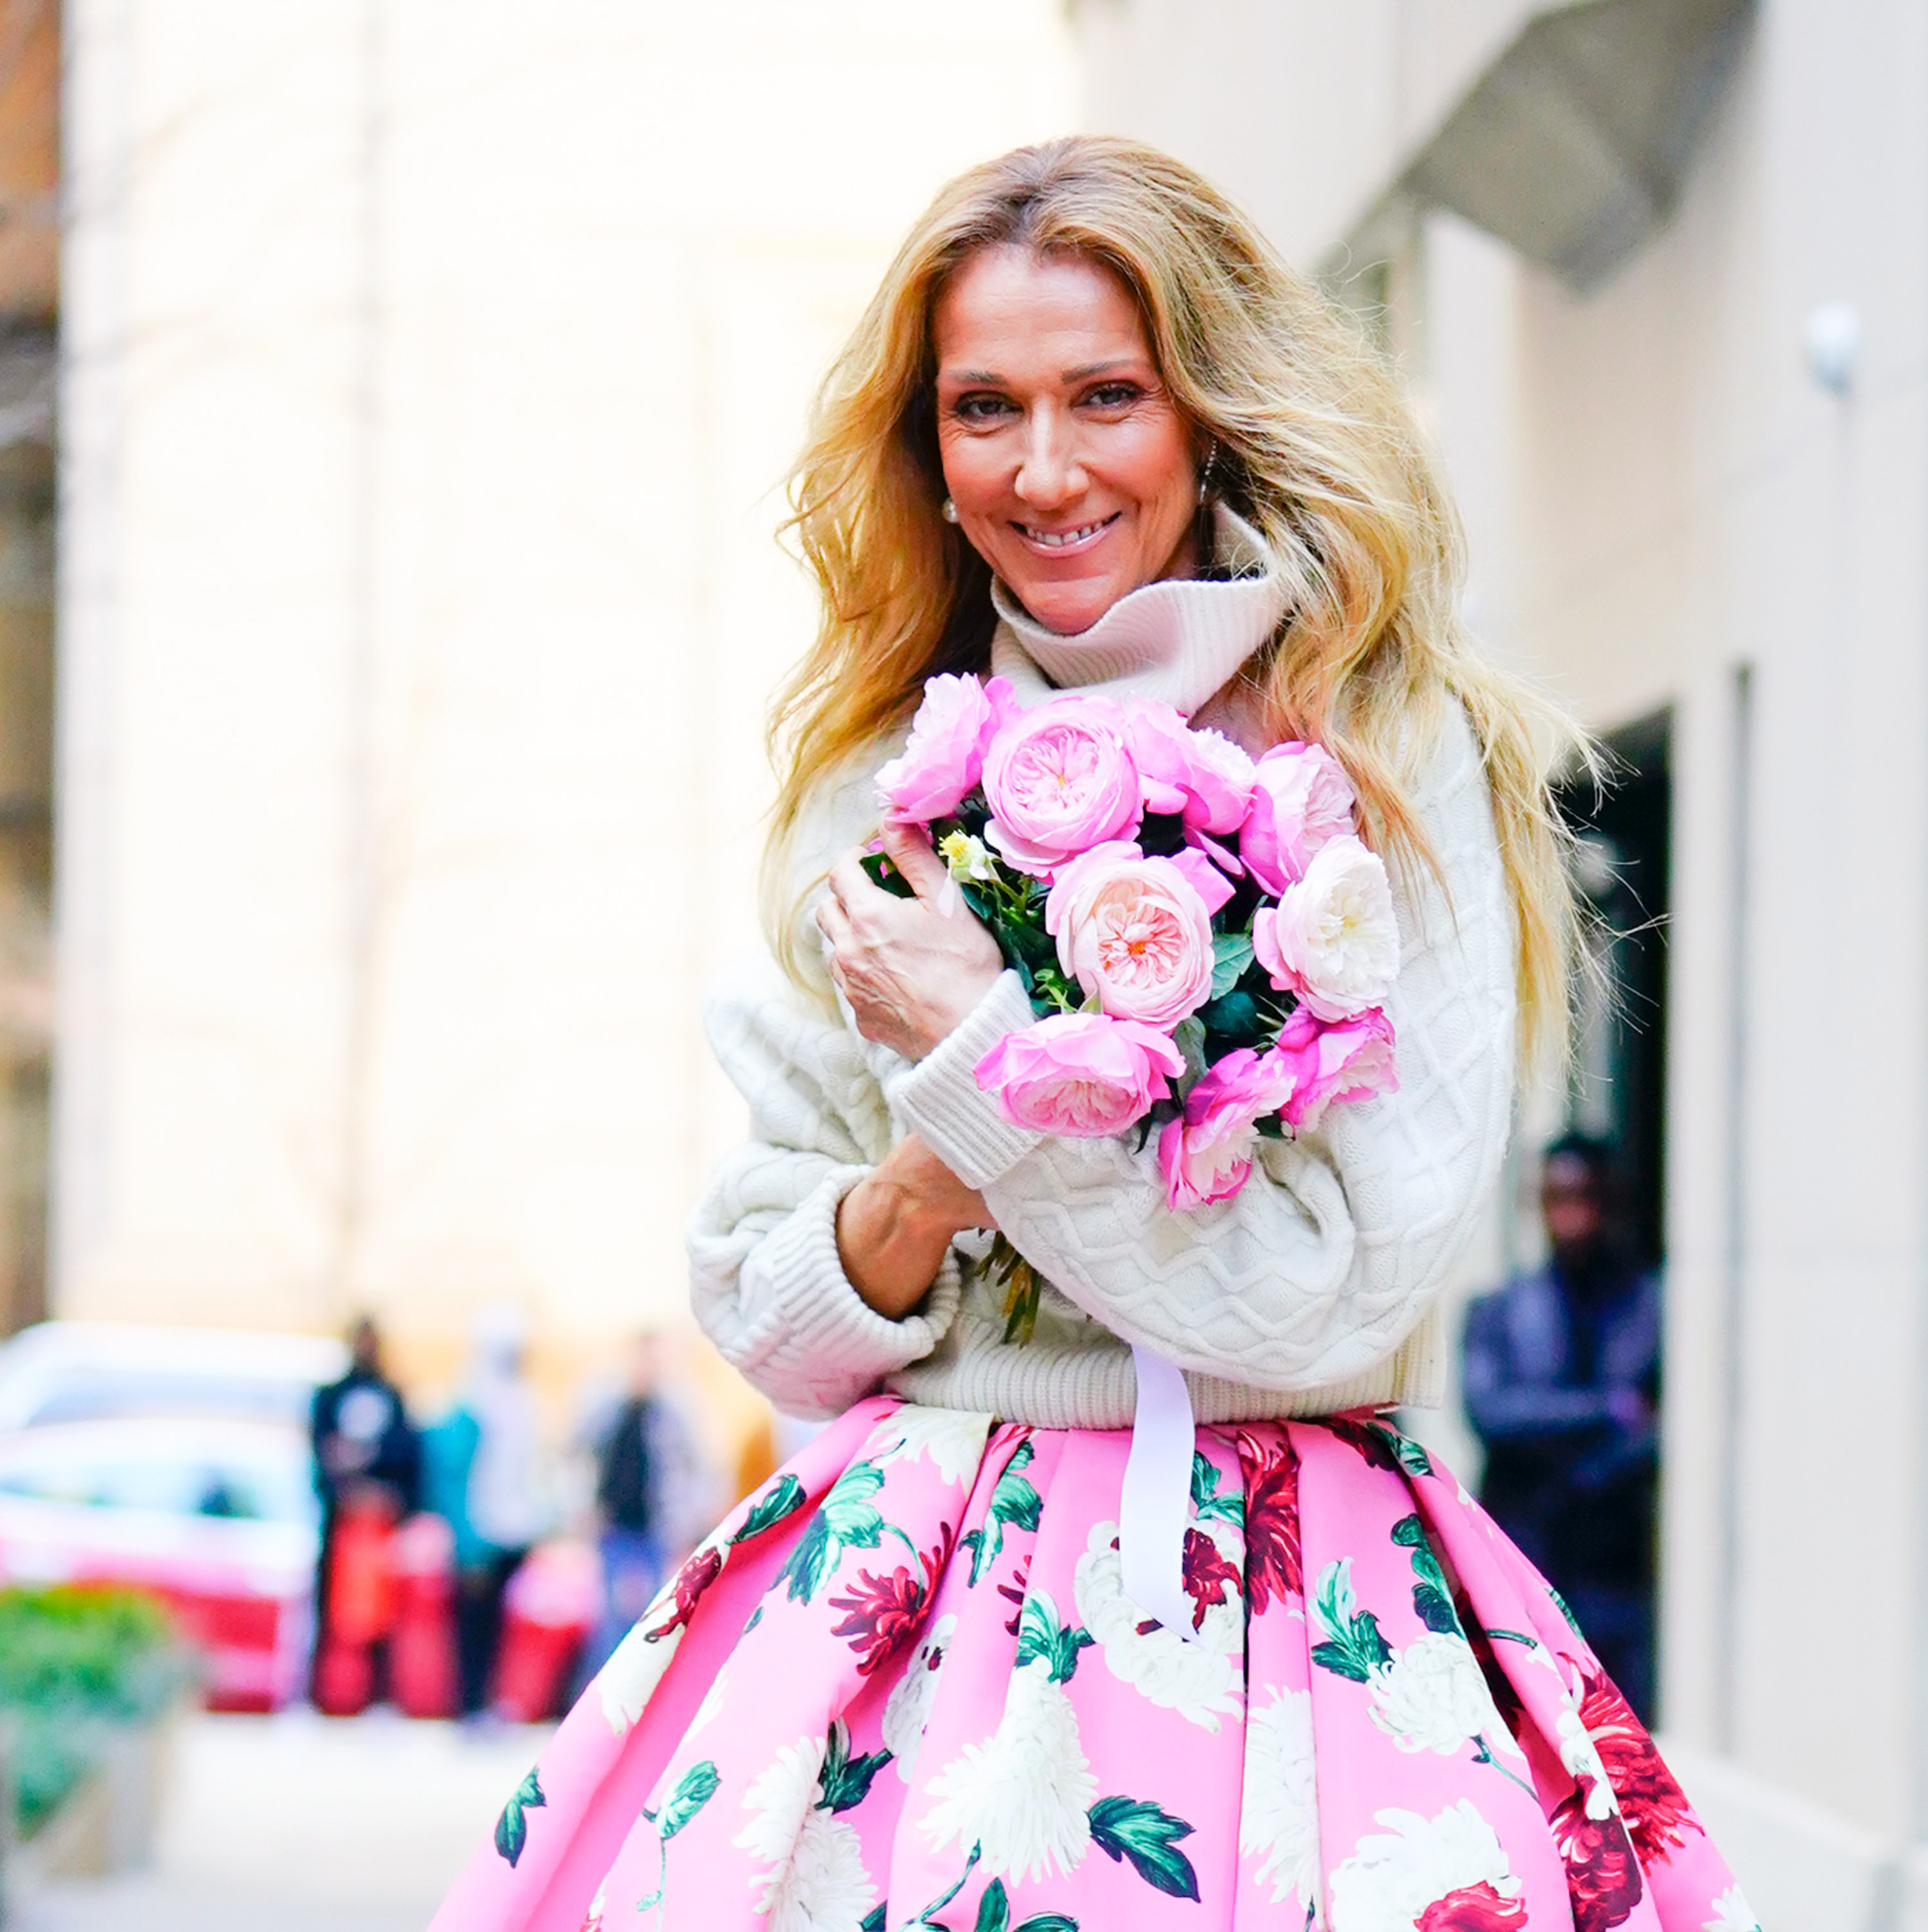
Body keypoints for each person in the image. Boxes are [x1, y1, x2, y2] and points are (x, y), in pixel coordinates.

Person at [431, 137, 1750, 1931]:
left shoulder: (1391, 755)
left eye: (1104, 397)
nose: (1043, 470)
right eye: (983, 410)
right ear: (930, 449)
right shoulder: (872, 777)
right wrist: (928, 1171)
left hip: (1295, 1608)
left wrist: (984, 1066)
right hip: (896, 1608)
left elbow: (1331, 1300)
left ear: (1204, 411)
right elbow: (765, 1302)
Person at [1463, 1133, 1663, 1718]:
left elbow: (1663, 1432)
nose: (1572, 1215)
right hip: (1522, 1564)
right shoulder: (1498, 1310)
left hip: (1613, 1573)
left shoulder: (1649, 1306)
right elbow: (1492, 1414)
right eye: (1557, 1198)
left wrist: (1584, 1458)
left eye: (1585, 1197)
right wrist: (1606, 1408)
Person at [430, 1305, 554, 1720]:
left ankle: (490, 1702)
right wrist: (467, 1543)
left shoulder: (524, 1401)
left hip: (513, 1532)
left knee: (501, 1624)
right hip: (478, 1537)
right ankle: (468, 1704)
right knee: (471, 1626)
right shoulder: (471, 1401)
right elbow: (453, 1478)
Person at [573, 1334, 715, 1686]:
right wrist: (582, 1508)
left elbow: (698, 1466)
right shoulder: (609, 1407)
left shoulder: (675, 1411)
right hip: (614, 1525)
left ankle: (643, 1690)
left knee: (654, 1614)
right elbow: (578, 1453)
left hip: (656, 1527)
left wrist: (689, 1516)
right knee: (608, 1615)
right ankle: (598, 1692)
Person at [308, 1315, 420, 1705]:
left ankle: (379, 1699)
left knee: (384, 1615)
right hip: (340, 1522)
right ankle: (316, 1696)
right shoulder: (330, 1395)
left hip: (380, 1524)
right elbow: (320, 1456)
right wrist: (346, 1487)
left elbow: (406, 1454)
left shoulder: (391, 1396)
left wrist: (376, 1482)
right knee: (328, 1611)